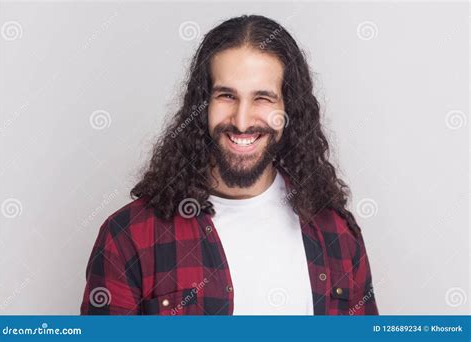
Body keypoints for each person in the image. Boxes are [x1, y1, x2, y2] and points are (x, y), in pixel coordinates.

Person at [80, 14, 378, 315]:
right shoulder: (129, 236)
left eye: (263, 98)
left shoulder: (337, 234)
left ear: (289, 110)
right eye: (226, 96)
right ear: (203, 105)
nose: (242, 120)